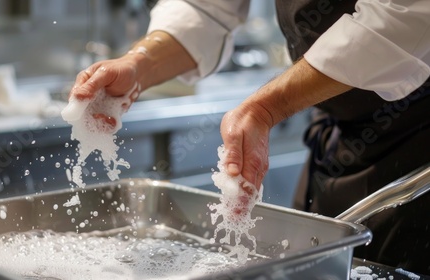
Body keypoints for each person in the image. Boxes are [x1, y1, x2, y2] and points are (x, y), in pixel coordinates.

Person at [69, 0, 430, 274]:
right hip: (342, 140)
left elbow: (405, 17)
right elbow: (205, 9)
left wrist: (265, 108)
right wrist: (139, 63)